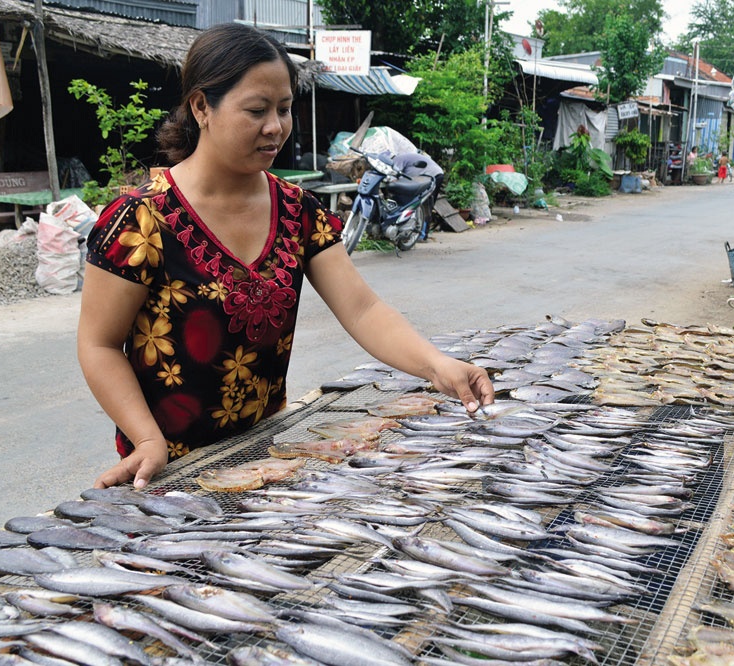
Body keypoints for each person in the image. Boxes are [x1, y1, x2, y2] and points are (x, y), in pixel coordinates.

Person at [77, 23, 495, 490]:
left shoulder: (298, 212)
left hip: (267, 455)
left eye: (284, 109)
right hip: (165, 467)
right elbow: (98, 344)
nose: (275, 127)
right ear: (201, 107)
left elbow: (363, 308)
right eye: (256, 110)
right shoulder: (141, 219)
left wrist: (438, 365)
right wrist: (146, 439)